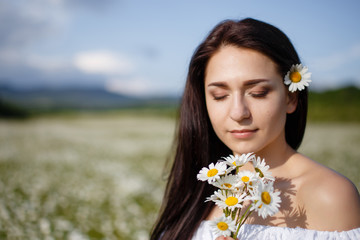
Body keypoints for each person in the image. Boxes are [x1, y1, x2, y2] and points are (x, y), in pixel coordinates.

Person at [150, 18, 360, 240]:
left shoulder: (329, 195)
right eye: (219, 96)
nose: (239, 113)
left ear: (291, 97)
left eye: (258, 92)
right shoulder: (198, 191)